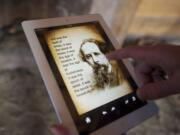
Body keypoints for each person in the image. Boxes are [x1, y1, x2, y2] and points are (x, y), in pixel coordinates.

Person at [51, 44, 180, 135]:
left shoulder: (121, 76)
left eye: (96, 54)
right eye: (88, 57)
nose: (94, 60)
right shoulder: (90, 82)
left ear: (104, 53)